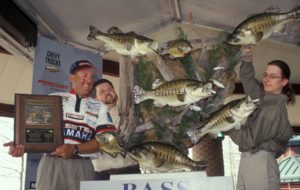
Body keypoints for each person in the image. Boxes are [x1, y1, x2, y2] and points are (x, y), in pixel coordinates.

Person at [3, 60, 117, 190]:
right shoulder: (53, 98)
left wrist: (75, 149)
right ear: (71, 77)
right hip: (52, 163)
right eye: (84, 75)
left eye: (91, 76)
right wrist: (20, 144)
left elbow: (108, 141)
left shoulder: (100, 107)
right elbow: (34, 132)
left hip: (83, 166)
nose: (89, 80)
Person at [228, 46, 295, 190]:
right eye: (265, 75)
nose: (266, 79)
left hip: (260, 160)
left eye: (272, 76)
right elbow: (248, 80)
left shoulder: (273, 108)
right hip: (249, 159)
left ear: (284, 82)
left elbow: (247, 140)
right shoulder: (263, 98)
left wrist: (228, 125)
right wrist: (247, 60)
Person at [90, 78, 140, 180]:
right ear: (95, 98)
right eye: (102, 91)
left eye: (110, 89)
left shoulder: (131, 114)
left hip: (130, 172)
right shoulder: (89, 119)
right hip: (101, 175)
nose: (108, 93)